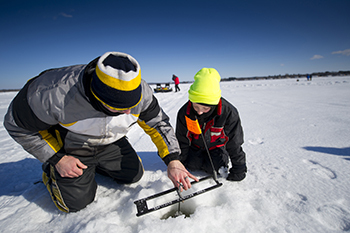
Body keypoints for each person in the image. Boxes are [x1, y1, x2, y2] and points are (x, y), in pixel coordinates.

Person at [3, 51, 197, 213]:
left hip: (111, 142)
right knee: (74, 204)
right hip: (72, 144)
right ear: (99, 98)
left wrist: (173, 159)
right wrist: (57, 159)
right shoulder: (53, 93)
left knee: (133, 175)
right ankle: (53, 172)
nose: (129, 112)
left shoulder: (141, 91)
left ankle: (100, 163)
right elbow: (17, 126)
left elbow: (157, 124)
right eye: (121, 108)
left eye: (132, 105)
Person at [175, 68, 247, 181]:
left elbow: (234, 142)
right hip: (195, 147)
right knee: (192, 165)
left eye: (205, 108)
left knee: (215, 168)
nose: (199, 112)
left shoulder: (228, 112)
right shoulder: (185, 112)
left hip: (216, 147)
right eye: (196, 106)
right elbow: (182, 139)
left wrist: (239, 167)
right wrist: (180, 163)